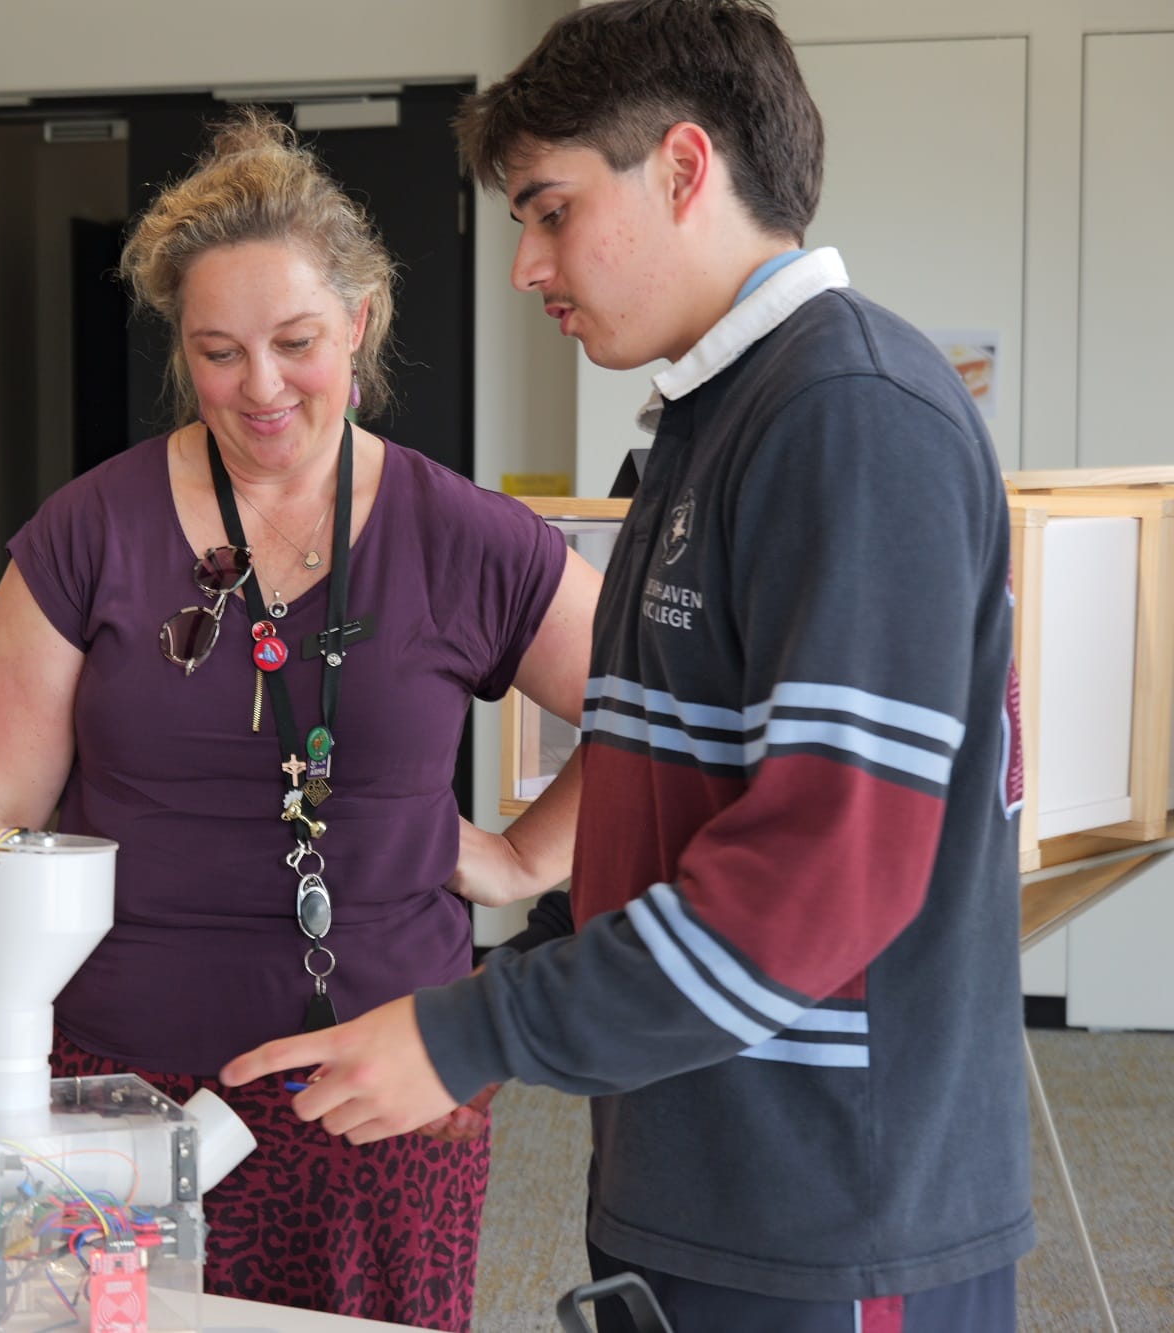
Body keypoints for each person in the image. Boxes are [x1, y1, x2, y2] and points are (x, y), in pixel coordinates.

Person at [223, 3, 1035, 1330]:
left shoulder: (850, 419)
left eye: (548, 211)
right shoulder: (702, 428)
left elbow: (823, 877)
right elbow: (675, 814)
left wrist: (477, 1034)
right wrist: (500, 990)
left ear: (682, 166)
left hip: (833, 1206)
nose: (525, 266)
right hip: (702, 1165)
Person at [0, 109, 602, 1330]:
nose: (261, 386)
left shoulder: (463, 535)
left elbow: (662, 712)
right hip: (111, 1090)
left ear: (360, 320)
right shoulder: (88, 533)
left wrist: (519, 858)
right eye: (217, 351)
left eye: (295, 341)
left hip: (382, 1085)